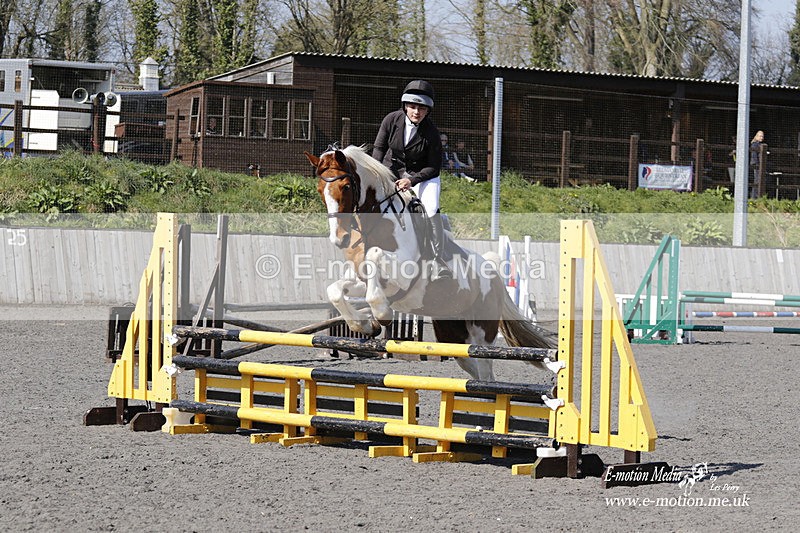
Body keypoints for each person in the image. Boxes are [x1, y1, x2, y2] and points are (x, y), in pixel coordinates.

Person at [372, 79, 451, 280]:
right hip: (392, 168)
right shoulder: (391, 120)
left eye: (421, 108)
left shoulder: (431, 133)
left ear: (427, 110)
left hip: (423, 175)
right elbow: (380, 148)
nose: (416, 112)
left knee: (431, 207)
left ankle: (438, 259)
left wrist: (412, 181)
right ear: (405, 106)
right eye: (413, 106)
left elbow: (434, 167)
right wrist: (376, 170)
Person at [749, 130, 765, 198]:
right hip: (756, 165)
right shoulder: (755, 144)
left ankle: (756, 196)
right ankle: (754, 196)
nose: (762, 138)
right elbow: (754, 155)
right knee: (757, 180)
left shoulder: (758, 144)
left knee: (758, 180)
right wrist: (757, 163)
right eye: (760, 136)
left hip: (757, 164)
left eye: (762, 136)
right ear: (757, 136)